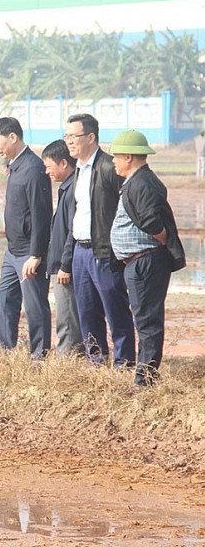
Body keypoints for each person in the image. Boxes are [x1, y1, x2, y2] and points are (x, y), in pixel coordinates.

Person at [109, 130, 186, 386]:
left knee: (147, 321)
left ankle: (145, 379)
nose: (113, 162)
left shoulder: (141, 182)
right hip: (138, 262)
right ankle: (143, 375)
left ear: (128, 156)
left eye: (116, 157)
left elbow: (152, 220)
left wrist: (162, 238)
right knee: (143, 318)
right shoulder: (137, 180)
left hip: (146, 261)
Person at [63, 114, 134, 366]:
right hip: (80, 251)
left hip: (104, 251)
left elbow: (126, 206)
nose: (68, 141)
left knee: (115, 309)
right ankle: (97, 361)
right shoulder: (78, 170)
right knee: (87, 312)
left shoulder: (107, 166)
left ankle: (124, 362)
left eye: (73, 136)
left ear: (91, 137)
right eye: (66, 136)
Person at [0, 117, 52, 359]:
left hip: (29, 251)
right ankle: (7, 350)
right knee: (3, 295)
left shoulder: (34, 168)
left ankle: (39, 355)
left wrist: (37, 254)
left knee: (35, 304)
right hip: (13, 250)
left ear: (13, 137)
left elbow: (41, 214)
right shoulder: (15, 165)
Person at [42, 140, 82, 356]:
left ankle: (68, 360)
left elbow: (72, 232)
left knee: (67, 319)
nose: (47, 172)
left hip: (65, 267)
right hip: (60, 264)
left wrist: (64, 265)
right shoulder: (66, 188)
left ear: (64, 163)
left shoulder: (73, 189)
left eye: (49, 166)